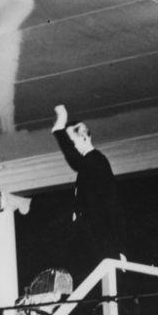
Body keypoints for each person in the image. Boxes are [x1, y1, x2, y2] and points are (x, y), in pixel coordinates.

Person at [51, 104, 125, 271]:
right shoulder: (89, 166)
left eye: (70, 142)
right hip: (93, 239)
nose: (70, 147)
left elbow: (111, 206)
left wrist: (59, 130)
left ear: (84, 136)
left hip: (101, 238)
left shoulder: (97, 161)